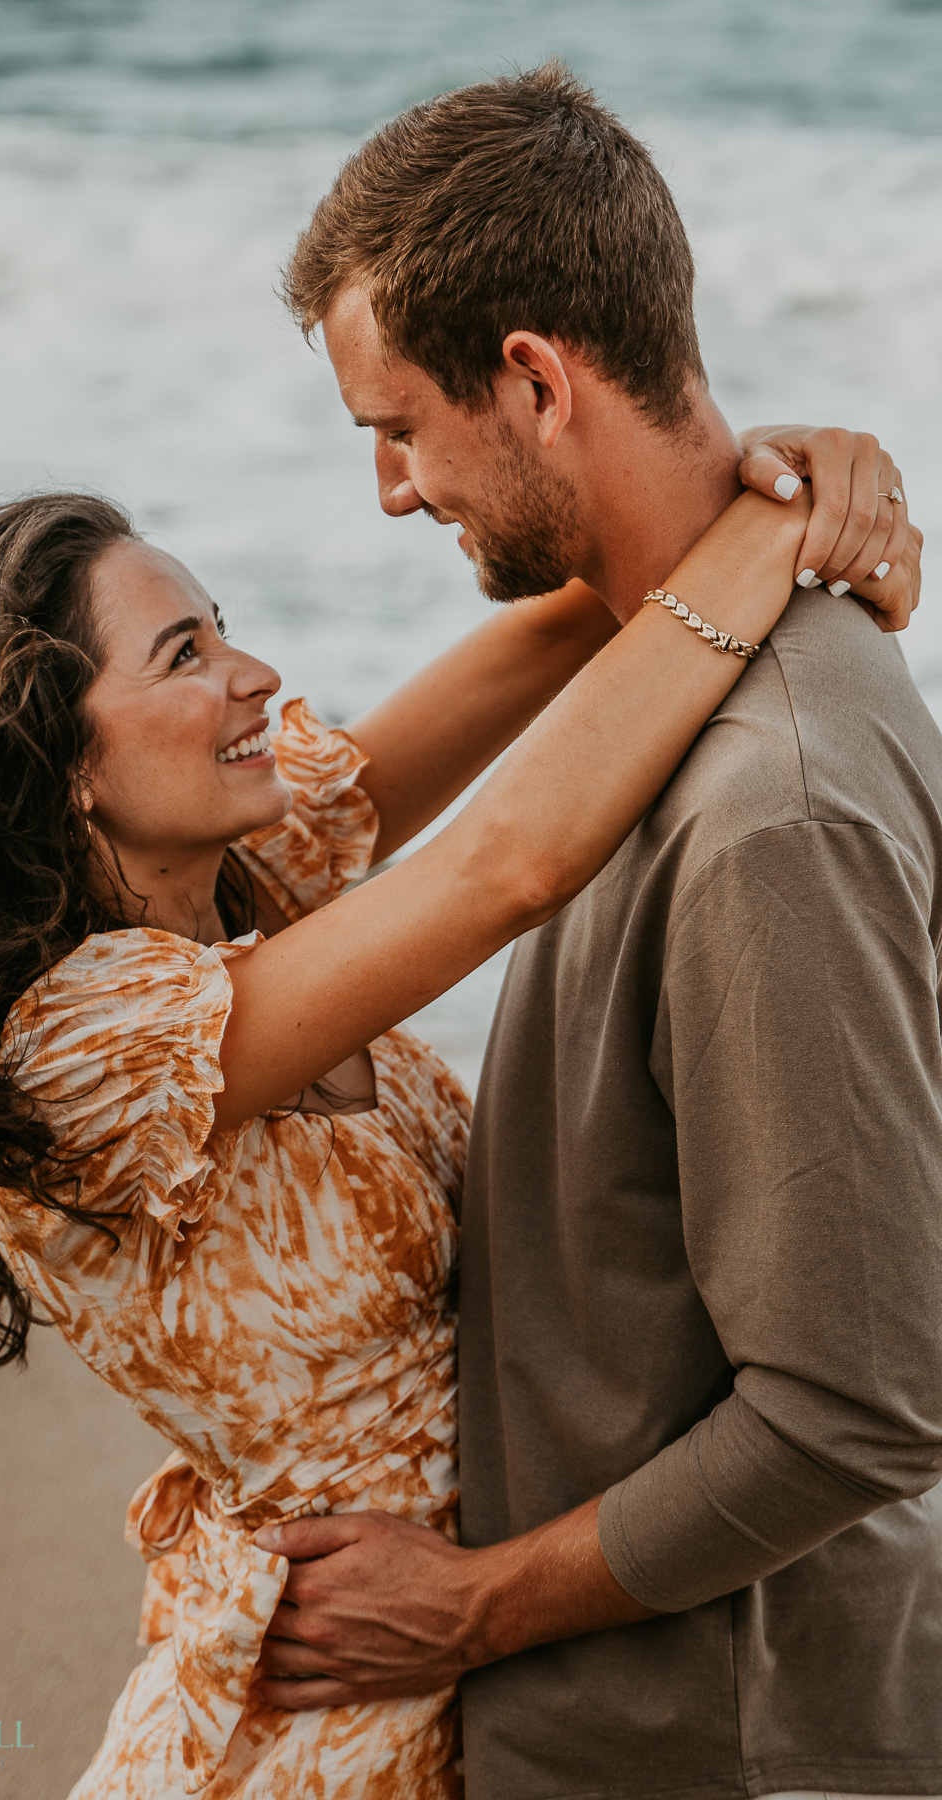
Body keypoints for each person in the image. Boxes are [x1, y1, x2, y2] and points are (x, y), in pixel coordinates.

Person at [0, 426, 909, 1796]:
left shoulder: (236, 883)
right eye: (186, 655)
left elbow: (566, 629)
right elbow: (510, 864)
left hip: (475, 1645)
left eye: (222, 628)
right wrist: (776, 538)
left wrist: (776, 471)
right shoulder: (79, 1047)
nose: (257, 676)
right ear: (63, 764)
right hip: (325, 1710)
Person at [256, 59, 940, 1800]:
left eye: (397, 425)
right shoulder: (663, 681)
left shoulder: (767, 805)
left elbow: (862, 1403)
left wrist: (470, 1608)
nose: (393, 490)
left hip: (725, 1742)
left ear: (538, 379)